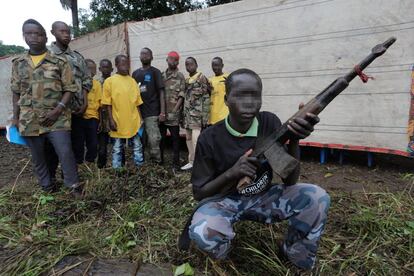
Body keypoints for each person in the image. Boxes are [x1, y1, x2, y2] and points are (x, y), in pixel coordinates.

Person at [187, 69, 330, 271]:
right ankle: (226, 256)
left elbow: (290, 181)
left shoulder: (269, 123)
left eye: (254, 95)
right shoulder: (209, 138)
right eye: (240, 95)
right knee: (204, 232)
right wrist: (231, 173)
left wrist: (295, 140)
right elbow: (199, 193)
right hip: (224, 202)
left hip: (264, 198)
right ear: (226, 99)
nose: (248, 102)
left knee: (317, 198)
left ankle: (294, 255)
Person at [11, 19, 80, 194]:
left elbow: (70, 88)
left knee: (65, 152)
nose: (33, 37)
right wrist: (16, 117)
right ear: (23, 36)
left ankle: (73, 187)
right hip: (30, 119)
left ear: (45, 36)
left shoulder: (59, 61)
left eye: (38, 34)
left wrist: (58, 110)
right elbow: (16, 91)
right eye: (29, 33)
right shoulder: (18, 62)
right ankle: (47, 187)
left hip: (58, 118)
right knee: (38, 157)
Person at [49, 21, 92, 164]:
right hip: (58, 112)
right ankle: (59, 176)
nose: (66, 34)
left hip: (77, 110)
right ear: (53, 33)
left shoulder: (77, 57)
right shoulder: (47, 56)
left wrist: (85, 102)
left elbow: (86, 79)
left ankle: (76, 174)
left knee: (78, 145)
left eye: (68, 32)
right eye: (62, 31)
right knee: (59, 147)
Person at [101, 55, 144, 169]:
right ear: (116, 65)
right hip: (118, 121)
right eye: (123, 64)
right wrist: (111, 120)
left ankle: (139, 170)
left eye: (127, 64)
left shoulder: (133, 81)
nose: (126, 66)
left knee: (137, 147)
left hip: (133, 121)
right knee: (117, 148)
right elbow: (107, 104)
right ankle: (117, 171)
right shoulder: (109, 82)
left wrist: (141, 119)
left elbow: (137, 103)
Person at [132, 47, 165, 164]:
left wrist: (162, 112)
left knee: (153, 139)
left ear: (152, 57)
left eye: (147, 54)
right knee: (140, 140)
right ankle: (141, 162)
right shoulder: (135, 73)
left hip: (152, 111)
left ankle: (156, 163)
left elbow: (161, 92)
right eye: (142, 54)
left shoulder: (155, 72)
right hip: (138, 113)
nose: (144, 56)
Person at [181, 57, 211, 171]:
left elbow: (206, 98)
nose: (189, 67)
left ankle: (199, 162)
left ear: (196, 65)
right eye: (187, 65)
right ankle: (191, 161)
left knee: (195, 139)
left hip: (197, 115)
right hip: (188, 115)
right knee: (188, 138)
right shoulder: (187, 80)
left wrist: (205, 117)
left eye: (191, 64)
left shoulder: (201, 78)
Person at [160, 51, 185, 170]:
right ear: (167, 60)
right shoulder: (161, 75)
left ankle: (176, 164)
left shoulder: (180, 76)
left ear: (177, 62)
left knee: (175, 140)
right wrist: (161, 112)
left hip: (173, 114)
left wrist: (175, 110)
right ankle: (160, 161)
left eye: (175, 60)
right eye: (170, 59)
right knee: (161, 139)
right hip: (162, 114)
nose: (172, 61)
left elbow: (182, 95)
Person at [79, 59, 101, 163]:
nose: (91, 71)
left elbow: (100, 103)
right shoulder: (78, 83)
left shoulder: (97, 84)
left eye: (93, 69)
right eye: (89, 69)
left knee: (93, 143)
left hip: (93, 117)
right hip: (79, 116)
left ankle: (90, 161)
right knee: (78, 142)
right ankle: (78, 162)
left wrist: (100, 120)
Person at [97, 59, 113, 168]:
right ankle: (101, 166)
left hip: (114, 116)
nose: (106, 69)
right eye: (103, 67)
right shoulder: (97, 83)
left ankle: (119, 166)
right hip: (102, 118)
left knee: (118, 143)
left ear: (112, 69)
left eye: (108, 67)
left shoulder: (116, 81)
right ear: (100, 69)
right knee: (102, 147)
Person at [209, 57, 229, 125]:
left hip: (224, 115)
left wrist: (229, 84)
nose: (215, 67)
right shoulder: (210, 80)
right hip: (213, 116)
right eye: (213, 65)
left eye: (217, 65)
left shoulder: (227, 77)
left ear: (222, 65)